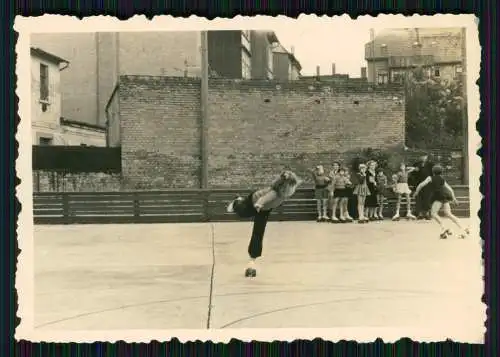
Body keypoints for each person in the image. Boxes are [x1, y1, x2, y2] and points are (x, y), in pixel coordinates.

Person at [226, 170, 302, 277]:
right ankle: (237, 201)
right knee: (243, 213)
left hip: (265, 209)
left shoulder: (283, 192)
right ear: (285, 187)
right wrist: (258, 204)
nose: (293, 190)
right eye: (292, 187)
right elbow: (264, 199)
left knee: (258, 231)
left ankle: (253, 257)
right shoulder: (275, 193)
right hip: (254, 202)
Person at [413, 164, 469, 239]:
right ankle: (464, 227)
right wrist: (454, 198)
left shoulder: (430, 178)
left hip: (438, 197)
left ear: (433, 172)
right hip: (445, 196)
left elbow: (421, 185)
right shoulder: (442, 179)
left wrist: (416, 192)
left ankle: (444, 228)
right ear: (441, 172)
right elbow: (449, 188)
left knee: (433, 214)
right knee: (448, 214)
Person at [412, 154, 434, 219]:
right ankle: (420, 214)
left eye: (424, 156)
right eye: (422, 156)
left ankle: (427, 213)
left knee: (427, 198)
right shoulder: (416, 164)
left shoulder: (431, 165)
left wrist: (432, 181)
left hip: (428, 184)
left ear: (427, 157)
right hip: (418, 184)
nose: (423, 157)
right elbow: (413, 175)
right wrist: (415, 171)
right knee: (419, 199)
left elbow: (433, 174)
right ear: (420, 157)